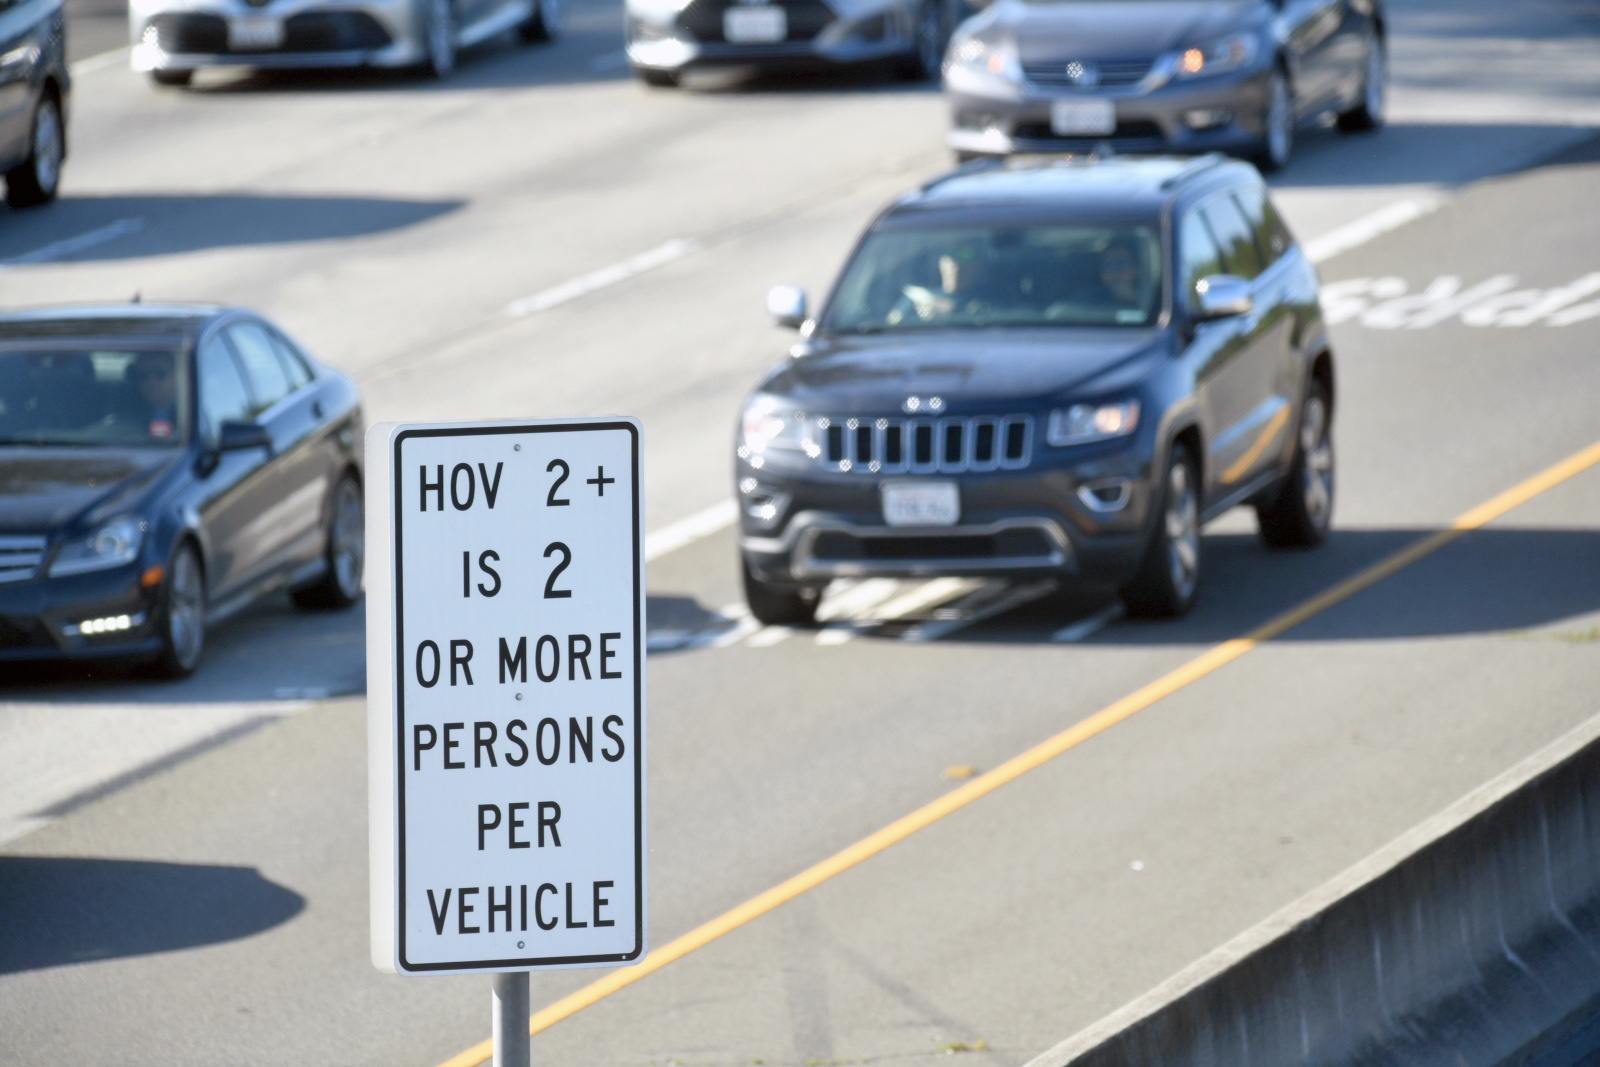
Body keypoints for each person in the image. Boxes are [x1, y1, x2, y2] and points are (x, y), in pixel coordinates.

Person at [890, 241, 994, 324]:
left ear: (980, 265)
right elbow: (891, 329)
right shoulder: (917, 298)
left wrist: (952, 310)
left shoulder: (994, 302)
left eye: (966, 255)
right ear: (940, 262)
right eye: (950, 254)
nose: (956, 262)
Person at [129, 352, 180, 440]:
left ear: (177, 377)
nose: (151, 382)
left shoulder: (192, 416)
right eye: (144, 376)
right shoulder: (129, 417)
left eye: (160, 374)